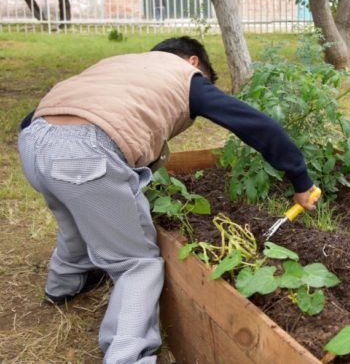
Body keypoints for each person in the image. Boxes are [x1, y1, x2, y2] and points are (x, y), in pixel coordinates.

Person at [17, 36, 320, 363]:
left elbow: (41, 115)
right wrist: (300, 181)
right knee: (137, 262)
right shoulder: (186, 77)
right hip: (85, 153)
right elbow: (255, 124)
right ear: (192, 62)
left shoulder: (122, 64)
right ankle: (128, 356)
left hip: (35, 141)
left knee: (77, 218)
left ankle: (63, 286)